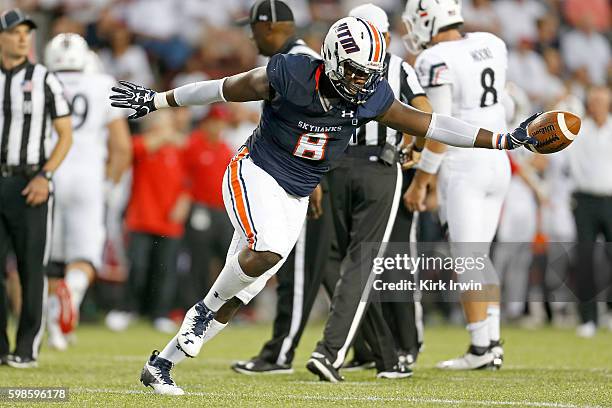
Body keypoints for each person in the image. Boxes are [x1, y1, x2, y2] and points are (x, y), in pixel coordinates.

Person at [110, 16, 539, 395]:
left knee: (250, 285)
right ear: (333, 59)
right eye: (355, 72)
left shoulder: (371, 95)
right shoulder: (291, 73)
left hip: (297, 191)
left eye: (369, 73)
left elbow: (431, 123)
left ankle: (160, 364)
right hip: (255, 171)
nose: (362, 82)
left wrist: (503, 139)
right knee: (269, 250)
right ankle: (202, 311)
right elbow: (223, 89)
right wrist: (159, 99)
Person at [305, 3, 432, 382]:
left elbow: (312, 121)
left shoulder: (328, 65)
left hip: (334, 165)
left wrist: (314, 175)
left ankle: (383, 353)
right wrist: (417, 149)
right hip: (378, 166)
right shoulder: (397, 67)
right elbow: (424, 113)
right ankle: (338, 352)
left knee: (347, 262)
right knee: (363, 263)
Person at [403, 0, 514, 369]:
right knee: (479, 256)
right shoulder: (492, 42)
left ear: (427, 19)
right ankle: (491, 342)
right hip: (499, 159)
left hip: (465, 163)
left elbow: (441, 127)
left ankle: (481, 349)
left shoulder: (435, 58)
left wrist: (423, 179)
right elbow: (507, 105)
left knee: (468, 258)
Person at [231, 0, 335, 376]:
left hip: (310, 175)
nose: (250, 34)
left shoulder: (298, 62)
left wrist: (316, 178)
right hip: (305, 170)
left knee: (300, 269)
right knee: (325, 268)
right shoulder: (294, 59)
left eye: (254, 26)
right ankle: (374, 346)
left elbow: (321, 123)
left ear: (272, 26)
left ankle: (280, 353)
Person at [43, 33, 132, 351]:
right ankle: (65, 304)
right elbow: (122, 147)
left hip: (47, 175)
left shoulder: (39, 81)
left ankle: (51, 325)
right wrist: (109, 185)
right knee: (85, 257)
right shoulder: (103, 84)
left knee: (49, 258)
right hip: (88, 178)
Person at [0, 8, 72, 368]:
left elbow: (65, 134)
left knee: (31, 267)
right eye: (14, 32)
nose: (23, 37)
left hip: (31, 181)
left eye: (26, 32)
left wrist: (45, 175)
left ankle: (26, 346)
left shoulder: (44, 78)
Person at [105, 110, 190, 333]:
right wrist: (165, 136)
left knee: (165, 271)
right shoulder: (141, 144)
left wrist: (184, 202)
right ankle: (127, 310)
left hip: (169, 221)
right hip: (141, 218)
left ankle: (160, 314)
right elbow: (134, 150)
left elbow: (189, 182)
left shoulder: (180, 149)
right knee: (137, 268)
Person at [567, 86, 612, 338]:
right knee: (585, 260)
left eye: (602, 101)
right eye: (594, 101)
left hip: (610, 198)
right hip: (584, 200)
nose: (597, 105)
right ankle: (588, 318)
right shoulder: (578, 130)